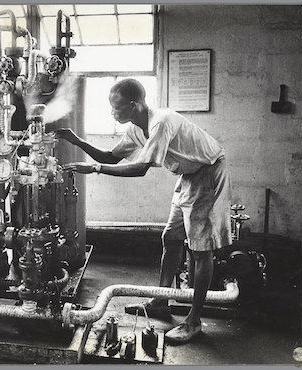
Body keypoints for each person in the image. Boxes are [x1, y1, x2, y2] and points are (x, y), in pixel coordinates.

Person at [56, 78, 232, 343]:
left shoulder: (160, 121)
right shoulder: (137, 129)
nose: (112, 113)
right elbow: (110, 157)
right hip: (188, 176)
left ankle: (194, 321)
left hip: (208, 173)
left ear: (133, 105)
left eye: (116, 109)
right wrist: (76, 141)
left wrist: (94, 170)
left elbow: (139, 169)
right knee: (170, 239)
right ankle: (161, 302)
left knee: (199, 250)